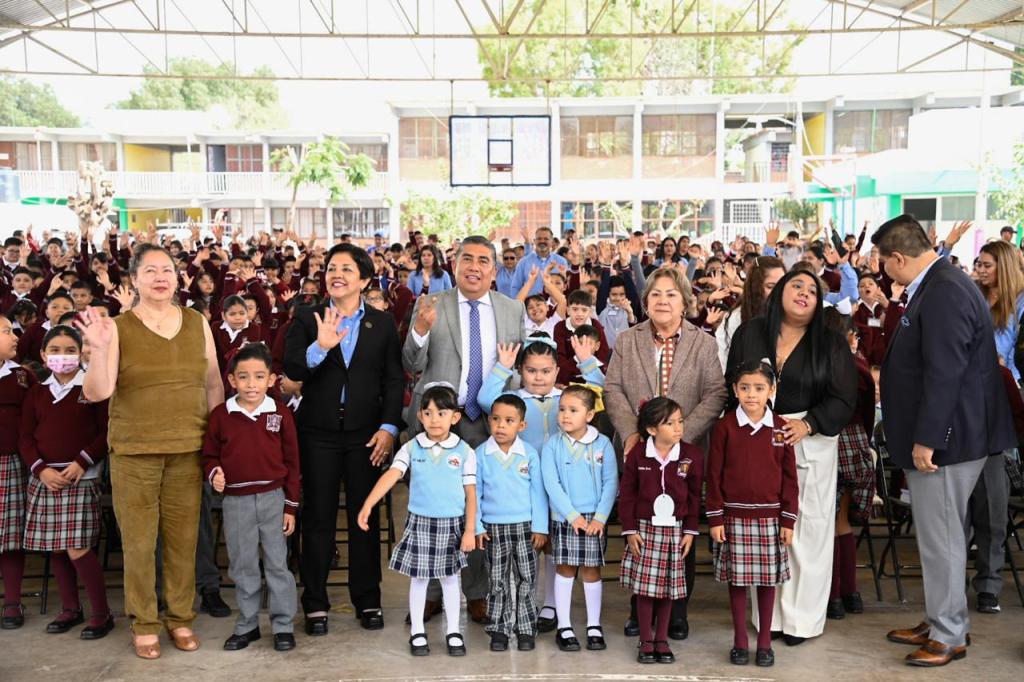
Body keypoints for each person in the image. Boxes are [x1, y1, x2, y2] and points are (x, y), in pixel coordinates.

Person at [875, 215, 1015, 667]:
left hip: (948, 440)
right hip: (950, 436)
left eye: (883, 261)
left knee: (944, 539)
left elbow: (945, 371)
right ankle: (942, 618)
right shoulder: (939, 284)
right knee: (940, 536)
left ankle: (949, 633)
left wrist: (928, 438)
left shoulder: (944, 291)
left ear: (898, 257)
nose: (882, 270)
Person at [78, 244, 223, 660]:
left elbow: (213, 383)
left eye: (167, 270)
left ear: (178, 279)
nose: (161, 277)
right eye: (150, 271)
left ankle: (180, 617)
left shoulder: (196, 322)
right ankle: (144, 622)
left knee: (183, 540)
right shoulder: (117, 327)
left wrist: (216, 444)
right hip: (135, 451)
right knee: (140, 544)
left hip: (188, 447)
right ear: (134, 280)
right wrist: (98, 350)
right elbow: (98, 392)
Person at [725, 268, 857, 646]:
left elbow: (844, 398)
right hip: (757, 436)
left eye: (812, 290)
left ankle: (802, 621)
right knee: (766, 529)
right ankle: (770, 619)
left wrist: (808, 424)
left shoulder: (830, 342)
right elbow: (731, 383)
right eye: (796, 285)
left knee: (807, 530)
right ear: (780, 291)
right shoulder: (750, 332)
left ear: (819, 303)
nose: (803, 293)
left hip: (810, 439)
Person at [283, 243, 404, 635]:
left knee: (363, 517)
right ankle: (315, 603)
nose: (337, 275)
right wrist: (320, 347)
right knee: (318, 518)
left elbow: (393, 380)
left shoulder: (381, 323)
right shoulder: (307, 316)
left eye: (347, 269)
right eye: (332, 268)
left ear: (364, 279)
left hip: (366, 435)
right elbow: (293, 368)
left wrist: (389, 428)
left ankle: (367, 599)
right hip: (317, 433)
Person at [403, 235, 525, 621]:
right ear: (454, 265)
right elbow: (411, 362)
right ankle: (431, 593)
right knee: (433, 509)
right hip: (438, 423)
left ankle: (476, 594)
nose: (474, 267)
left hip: (486, 423)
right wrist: (420, 329)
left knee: (478, 509)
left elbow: (519, 368)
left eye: (483, 261)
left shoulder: (512, 309)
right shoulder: (431, 304)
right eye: (467, 259)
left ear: (494, 269)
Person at [604, 266, 727, 640]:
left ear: (685, 301)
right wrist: (634, 434)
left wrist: (678, 435)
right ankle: (638, 609)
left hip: (683, 454)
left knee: (681, 529)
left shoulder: (703, 343)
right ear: (645, 301)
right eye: (655, 294)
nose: (662, 300)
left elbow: (716, 394)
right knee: (641, 527)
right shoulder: (628, 340)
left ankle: (676, 613)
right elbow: (613, 389)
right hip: (639, 452)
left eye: (671, 294)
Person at [476, 334, 603, 632]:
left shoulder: (566, 399)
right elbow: (484, 399)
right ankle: (526, 604)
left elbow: (599, 393)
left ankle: (550, 605)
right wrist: (502, 368)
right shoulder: (515, 401)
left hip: (563, 485)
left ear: (557, 370)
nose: (538, 377)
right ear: (521, 370)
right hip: (525, 485)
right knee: (530, 544)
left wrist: (587, 361)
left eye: (546, 371)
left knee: (553, 547)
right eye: (531, 370)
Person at [357, 384, 477, 657]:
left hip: (451, 524)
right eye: (428, 413)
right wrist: (369, 503)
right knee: (419, 578)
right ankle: (418, 632)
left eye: (442, 413)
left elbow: (471, 494)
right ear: (420, 416)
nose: (434, 419)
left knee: (450, 578)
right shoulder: (412, 447)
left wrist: (470, 529)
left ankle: (453, 631)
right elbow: (392, 475)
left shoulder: (464, 451)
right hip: (420, 521)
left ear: (455, 417)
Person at [202, 343, 300, 653]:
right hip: (236, 501)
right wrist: (214, 472)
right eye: (243, 377)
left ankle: (282, 625)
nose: (251, 384)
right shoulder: (221, 416)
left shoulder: (280, 413)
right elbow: (209, 455)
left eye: (259, 377)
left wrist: (290, 506)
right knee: (243, 564)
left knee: (277, 564)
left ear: (271, 379)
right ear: (232, 380)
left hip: (273, 498)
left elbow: (293, 462)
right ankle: (247, 624)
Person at [19, 325, 112, 639]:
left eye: (70, 350)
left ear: (81, 353)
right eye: (55, 350)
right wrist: (40, 469)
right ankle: (71, 608)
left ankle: (101, 613)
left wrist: (82, 461)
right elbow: (25, 437)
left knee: (77, 546)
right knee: (56, 547)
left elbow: (106, 432)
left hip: (80, 477)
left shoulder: (92, 388)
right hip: (46, 478)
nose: (63, 356)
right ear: (43, 355)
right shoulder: (37, 392)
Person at [708, 361, 798, 668]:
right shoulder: (725, 427)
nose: (751, 394)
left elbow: (790, 479)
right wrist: (716, 518)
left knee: (767, 582)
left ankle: (764, 644)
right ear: (735, 390)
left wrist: (788, 519)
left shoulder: (781, 427)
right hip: (733, 518)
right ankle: (739, 642)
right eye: (744, 388)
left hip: (771, 519)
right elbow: (714, 476)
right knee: (737, 581)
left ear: (771, 390)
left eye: (759, 388)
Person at [618, 397, 702, 665]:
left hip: (675, 530)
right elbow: (627, 495)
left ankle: (662, 639)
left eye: (680, 421)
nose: (678, 428)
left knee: (668, 588)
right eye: (670, 423)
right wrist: (630, 529)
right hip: (644, 530)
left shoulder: (692, 455)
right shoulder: (637, 455)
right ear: (652, 429)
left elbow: (694, 497)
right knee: (645, 589)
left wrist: (690, 531)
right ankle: (646, 639)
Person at [541, 385, 618, 653]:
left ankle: (593, 626)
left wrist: (600, 517)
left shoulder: (602, 443)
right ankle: (564, 627)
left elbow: (611, 482)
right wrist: (571, 516)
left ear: (590, 415)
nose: (565, 415)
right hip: (565, 518)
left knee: (591, 570)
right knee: (565, 568)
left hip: (595, 520)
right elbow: (551, 483)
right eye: (562, 409)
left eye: (573, 410)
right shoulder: (553, 445)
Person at [969, 240, 1022, 614]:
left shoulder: (1020, 305)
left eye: (987, 265)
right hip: (964, 405)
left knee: (993, 507)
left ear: (1002, 266)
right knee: (957, 511)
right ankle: (951, 586)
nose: (981, 270)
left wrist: (1002, 368)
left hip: (1000, 406)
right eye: (979, 264)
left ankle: (989, 585)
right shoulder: (971, 297)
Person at [474, 393, 548, 652]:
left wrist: (540, 527)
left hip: (526, 528)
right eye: (495, 419)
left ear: (522, 425)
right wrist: (477, 526)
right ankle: (499, 629)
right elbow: (475, 493)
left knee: (527, 579)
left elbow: (538, 493)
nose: (501, 426)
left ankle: (526, 628)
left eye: (509, 420)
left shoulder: (529, 454)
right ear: (489, 421)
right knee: (497, 581)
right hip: (493, 529)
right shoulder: (481, 454)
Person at [823, 309, 876, 621]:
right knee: (841, 521)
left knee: (825, 522)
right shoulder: (858, 367)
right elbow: (868, 414)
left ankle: (831, 596)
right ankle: (850, 593)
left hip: (824, 441)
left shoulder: (817, 365)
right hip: (854, 442)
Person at [0, 314, 36, 629]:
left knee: (9, 536)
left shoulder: (22, 376)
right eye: (6, 331)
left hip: (9, 462)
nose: (15, 337)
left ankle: (12, 600)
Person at [716, 256, 785, 371]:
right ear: (756, 288)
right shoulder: (736, 318)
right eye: (770, 286)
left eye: (782, 285)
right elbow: (722, 362)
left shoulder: (792, 315)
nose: (778, 291)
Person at [512, 227, 569, 298]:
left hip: (555, 304)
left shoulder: (561, 261)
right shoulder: (523, 262)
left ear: (552, 242)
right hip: (529, 304)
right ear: (534, 241)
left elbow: (566, 286)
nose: (542, 241)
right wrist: (517, 304)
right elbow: (515, 287)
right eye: (539, 239)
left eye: (546, 239)